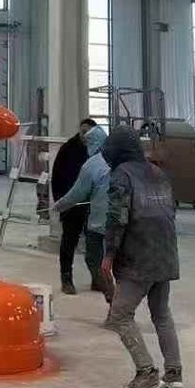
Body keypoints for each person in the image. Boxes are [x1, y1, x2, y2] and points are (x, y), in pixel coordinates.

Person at [101, 125, 183, 388]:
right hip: (165, 252)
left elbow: (117, 218)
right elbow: (171, 212)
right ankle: (174, 372)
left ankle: (146, 371)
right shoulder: (158, 173)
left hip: (138, 255)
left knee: (119, 315)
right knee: (161, 313)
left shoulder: (121, 175)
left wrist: (109, 254)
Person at [52, 123, 110, 299]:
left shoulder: (98, 162)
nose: (84, 136)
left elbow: (78, 193)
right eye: (82, 132)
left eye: (87, 133)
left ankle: (101, 283)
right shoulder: (69, 150)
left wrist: (59, 205)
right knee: (70, 242)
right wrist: (61, 203)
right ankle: (67, 278)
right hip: (75, 208)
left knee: (94, 252)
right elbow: (59, 178)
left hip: (94, 212)